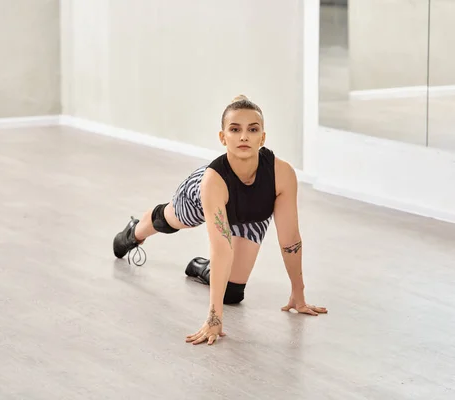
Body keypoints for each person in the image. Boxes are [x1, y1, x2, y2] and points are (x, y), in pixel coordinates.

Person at [112, 95, 327, 345]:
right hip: (203, 196)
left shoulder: (282, 174)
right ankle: (134, 231)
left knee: (233, 294)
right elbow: (221, 247)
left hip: (251, 213)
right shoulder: (212, 181)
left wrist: (298, 294)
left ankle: (203, 269)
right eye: (235, 130)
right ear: (223, 137)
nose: (244, 136)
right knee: (170, 220)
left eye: (252, 129)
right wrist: (214, 318)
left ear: (263, 137)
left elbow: (290, 239)